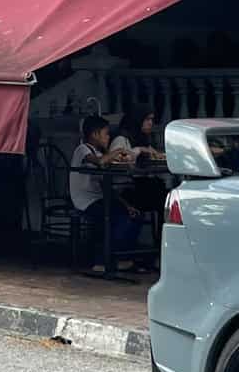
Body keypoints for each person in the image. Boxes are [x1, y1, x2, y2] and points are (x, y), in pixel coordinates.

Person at [70, 116, 143, 274]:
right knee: (116, 217)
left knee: (134, 215)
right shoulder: (83, 149)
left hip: (99, 198)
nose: (108, 137)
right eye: (106, 134)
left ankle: (122, 258)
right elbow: (101, 162)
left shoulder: (97, 152)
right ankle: (102, 260)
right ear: (95, 134)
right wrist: (117, 151)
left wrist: (126, 204)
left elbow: (106, 187)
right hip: (85, 201)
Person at [109, 106, 167, 216]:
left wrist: (156, 155)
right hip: (123, 190)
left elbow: (154, 155)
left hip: (136, 187)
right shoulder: (121, 139)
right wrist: (139, 150)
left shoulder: (140, 138)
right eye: (147, 119)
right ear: (137, 120)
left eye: (152, 120)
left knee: (165, 193)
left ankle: (162, 231)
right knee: (164, 198)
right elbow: (118, 163)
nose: (151, 123)